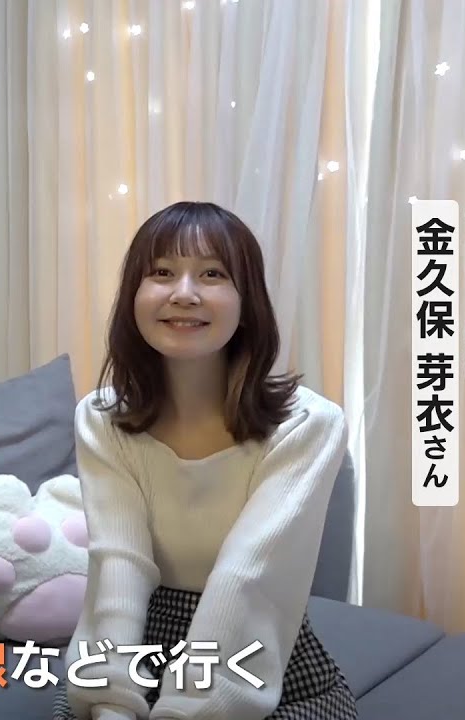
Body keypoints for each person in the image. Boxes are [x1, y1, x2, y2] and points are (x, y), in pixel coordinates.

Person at [51, 202, 357, 720]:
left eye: (212, 274)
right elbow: (118, 565)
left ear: (247, 302)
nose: (184, 293)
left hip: (252, 662)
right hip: (131, 652)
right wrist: (110, 704)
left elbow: (249, 577)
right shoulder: (101, 419)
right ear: (133, 297)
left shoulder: (308, 425)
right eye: (162, 272)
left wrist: (185, 711)